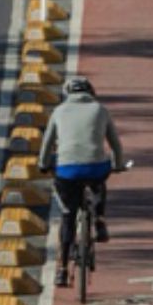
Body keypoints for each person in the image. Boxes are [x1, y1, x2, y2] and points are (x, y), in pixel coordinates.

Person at [37, 75, 125, 288]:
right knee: (98, 181)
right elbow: (115, 144)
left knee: (68, 216)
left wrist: (43, 164)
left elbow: (47, 144)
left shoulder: (59, 111)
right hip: (96, 168)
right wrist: (119, 164)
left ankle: (63, 270)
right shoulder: (100, 110)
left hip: (67, 171)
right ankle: (100, 219)